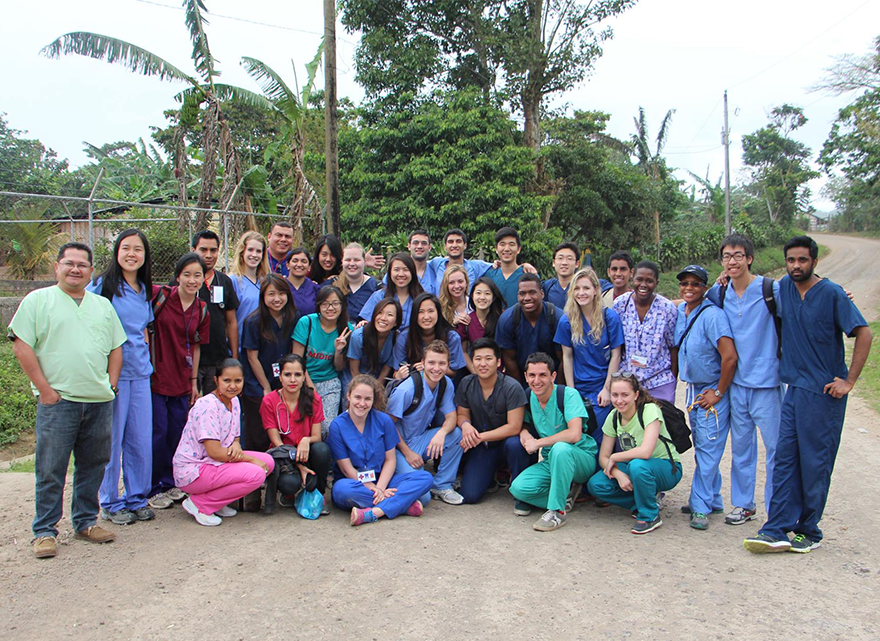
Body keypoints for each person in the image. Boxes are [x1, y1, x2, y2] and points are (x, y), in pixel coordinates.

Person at [745, 236, 872, 554]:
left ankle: (808, 530)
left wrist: (849, 380)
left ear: (815, 261)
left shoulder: (831, 293)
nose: (796, 266)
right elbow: (749, 283)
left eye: (802, 260)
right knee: (785, 460)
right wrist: (723, 276)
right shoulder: (784, 288)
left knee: (815, 463)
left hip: (824, 394)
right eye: (791, 260)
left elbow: (864, 333)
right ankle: (776, 528)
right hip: (794, 390)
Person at [10, 242, 126, 558]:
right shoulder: (38, 301)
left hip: (99, 401)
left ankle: (86, 522)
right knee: (51, 467)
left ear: (91, 271)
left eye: (82, 265)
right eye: (69, 263)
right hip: (58, 402)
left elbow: (117, 348)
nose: (75, 269)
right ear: (57, 267)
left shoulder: (102, 305)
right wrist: (45, 391)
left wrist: (111, 386)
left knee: (94, 465)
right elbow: (21, 346)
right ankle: (45, 531)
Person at [706, 235, 783, 526]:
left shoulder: (769, 288)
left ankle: (777, 506)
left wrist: (839, 294)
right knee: (742, 448)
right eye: (726, 256)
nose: (732, 261)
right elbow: (691, 300)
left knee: (776, 448)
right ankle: (743, 504)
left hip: (767, 382)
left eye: (738, 255)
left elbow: (805, 294)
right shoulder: (720, 293)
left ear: (749, 258)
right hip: (736, 385)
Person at [86, 229, 156, 525]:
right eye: (126, 248)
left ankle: (137, 497)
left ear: (144, 256)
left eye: (137, 249)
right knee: (111, 440)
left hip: (140, 375)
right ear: (116, 252)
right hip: (111, 376)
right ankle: (110, 502)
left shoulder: (144, 289)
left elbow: (144, 331)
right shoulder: (102, 287)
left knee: (140, 439)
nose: (131, 254)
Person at [172, 359, 275, 527]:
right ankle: (201, 504)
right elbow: (214, 451)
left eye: (237, 381)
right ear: (216, 380)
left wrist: (236, 444)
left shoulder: (234, 401)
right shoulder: (207, 405)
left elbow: (234, 436)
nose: (232, 386)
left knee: (268, 462)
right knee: (256, 474)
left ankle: (216, 502)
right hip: (194, 469)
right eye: (227, 380)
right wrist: (249, 460)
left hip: (216, 462)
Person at [675, 265, 737, 530]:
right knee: (702, 444)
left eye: (696, 284)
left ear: (705, 288)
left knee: (710, 447)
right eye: (685, 283)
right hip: (694, 389)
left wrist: (718, 392)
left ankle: (700, 507)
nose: (689, 288)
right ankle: (713, 497)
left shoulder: (713, 315)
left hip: (712, 389)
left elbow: (730, 356)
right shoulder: (681, 311)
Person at [509, 352, 598, 531]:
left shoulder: (568, 395)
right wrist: (525, 434)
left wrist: (538, 443)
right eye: (532, 375)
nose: (537, 380)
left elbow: (574, 434)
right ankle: (565, 496)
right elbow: (524, 424)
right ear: (525, 376)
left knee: (560, 448)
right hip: (552, 461)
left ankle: (556, 512)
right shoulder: (530, 396)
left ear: (553, 376)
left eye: (543, 375)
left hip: (580, 457)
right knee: (518, 488)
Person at [328, 375, 434, 526]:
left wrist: (381, 488)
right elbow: (346, 469)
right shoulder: (337, 426)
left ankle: (373, 513)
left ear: (373, 400)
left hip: (382, 480)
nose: (362, 403)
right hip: (354, 483)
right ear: (348, 396)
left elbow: (390, 460)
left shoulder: (384, 421)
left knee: (425, 478)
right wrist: (372, 488)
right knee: (341, 490)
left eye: (367, 399)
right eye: (357, 397)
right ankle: (400, 505)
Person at [149, 253, 211, 510]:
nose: (192, 280)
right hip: (154, 376)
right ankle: (153, 487)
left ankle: (172, 482)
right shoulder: (159, 296)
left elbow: (197, 346)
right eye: (187, 274)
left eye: (197, 275)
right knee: (157, 433)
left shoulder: (202, 309)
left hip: (182, 379)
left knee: (178, 432)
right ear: (177, 276)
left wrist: (194, 381)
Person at [586, 373, 683, 534]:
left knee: (638, 465)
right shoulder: (613, 417)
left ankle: (650, 515)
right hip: (634, 467)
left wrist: (615, 457)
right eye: (615, 395)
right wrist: (617, 474)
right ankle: (645, 501)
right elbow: (604, 457)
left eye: (625, 395)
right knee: (596, 484)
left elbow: (645, 452)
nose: (619, 400)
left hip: (666, 467)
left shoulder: (650, 410)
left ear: (636, 395)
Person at [455, 338, 533, 504]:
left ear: (498, 362)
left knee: (515, 444)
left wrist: (480, 437)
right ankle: (490, 478)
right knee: (470, 495)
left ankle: (522, 490)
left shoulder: (511, 387)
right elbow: (462, 414)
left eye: (488, 359)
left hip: (506, 444)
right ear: (473, 362)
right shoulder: (466, 383)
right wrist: (466, 425)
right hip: (483, 447)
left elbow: (514, 427)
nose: (483, 363)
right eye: (478, 359)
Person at [386, 341, 465, 505]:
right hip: (397, 447)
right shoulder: (406, 389)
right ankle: (393, 481)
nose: (436, 368)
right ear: (422, 363)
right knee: (423, 496)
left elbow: (451, 416)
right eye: (431, 362)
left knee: (456, 434)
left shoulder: (445, 383)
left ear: (448, 365)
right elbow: (387, 426)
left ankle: (442, 485)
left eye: (442, 363)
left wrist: (441, 434)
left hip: (419, 439)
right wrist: (408, 453)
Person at [556, 267, 624, 443]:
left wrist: (608, 388)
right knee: (578, 436)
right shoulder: (567, 320)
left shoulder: (610, 318)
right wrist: (572, 393)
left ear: (595, 290)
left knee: (601, 434)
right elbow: (567, 357)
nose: (581, 293)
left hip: (602, 386)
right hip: (579, 386)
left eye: (586, 288)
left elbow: (616, 355)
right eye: (577, 289)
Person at [260, 355, 332, 514]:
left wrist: (306, 440)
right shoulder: (269, 401)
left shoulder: (314, 399)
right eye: (287, 375)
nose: (292, 380)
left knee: (322, 449)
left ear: (304, 376)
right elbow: (277, 442)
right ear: (280, 377)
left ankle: (317, 494)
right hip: (284, 457)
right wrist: (298, 465)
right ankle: (289, 495)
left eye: (298, 375)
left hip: (307, 454)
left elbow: (317, 436)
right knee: (289, 484)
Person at [240, 274, 299, 454]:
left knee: (281, 424)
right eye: (271, 294)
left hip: (281, 379)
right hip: (257, 382)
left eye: (281, 293)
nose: (277, 299)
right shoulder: (253, 321)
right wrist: (265, 387)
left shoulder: (292, 316)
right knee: (258, 428)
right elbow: (252, 357)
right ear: (263, 297)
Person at [612, 260, 678, 403]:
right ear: (632, 279)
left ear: (656, 283)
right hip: (628, 380)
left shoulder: (667, 309)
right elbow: (616, 343)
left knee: (661, 422)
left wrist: (673, 378)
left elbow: (673, 346)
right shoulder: (620, 304)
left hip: (659, 380)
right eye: (639, 279)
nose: (643, 285)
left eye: (649, 281)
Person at [292, 285, 353, 437]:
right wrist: (311, 388)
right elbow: (296, 362)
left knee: (327, 428)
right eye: (325, 304)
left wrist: (339, 350)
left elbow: (339, 367)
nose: (330, 308)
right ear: (318, 305)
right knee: (304, 427)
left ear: (342, 305)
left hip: (329, 382)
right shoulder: (307, 323)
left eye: (335, 303)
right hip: (303, 380)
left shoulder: (346, 329)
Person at [188, 230, 240, 395]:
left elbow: (231, 321)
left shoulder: (224, 281)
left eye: (213, 250)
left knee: (217, 406)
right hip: (189, 360)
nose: (209, 255)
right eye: (203, 250)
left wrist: (234, 358)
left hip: (217, 359)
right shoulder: (183, 282)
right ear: (193, 250)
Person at [496, 273, 564, 385]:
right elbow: (509, 360)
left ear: (542, 294)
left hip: (553, 380)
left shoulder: (556, 318)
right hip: (523, 380)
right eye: (522, 294)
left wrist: (559, 392)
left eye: (532, 292)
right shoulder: (507, 320)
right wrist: (520, 394)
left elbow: (563, 359)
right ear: (518, 296)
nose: (527, 298)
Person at [393, 293, 467, 377]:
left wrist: (428, 368)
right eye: (421, 312)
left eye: (431, 311)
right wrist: (402, 373)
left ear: (438, 313)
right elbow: (396, 372)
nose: (426, 317)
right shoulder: (404, 337)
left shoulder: (451, 337)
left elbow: (454, 372)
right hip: (412, 382)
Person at [359, 252, 425, 327]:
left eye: (405, 270)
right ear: (390, 273)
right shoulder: (379, 297)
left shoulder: (422, 298)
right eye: (396, 270)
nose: (401, 274)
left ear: (413, 272)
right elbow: (368, 323)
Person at [346, 298, 401, 387]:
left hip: (377, 379)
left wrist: (377, 388)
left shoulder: (395, 338)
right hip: (354, 378)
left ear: (396, 322)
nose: (383, 318)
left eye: (390, 315)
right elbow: (354, 370)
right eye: (380, 312)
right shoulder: (358, 336)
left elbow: (386, 368)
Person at [229, 230, 269, 346]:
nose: (254, 255)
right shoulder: (233, 281)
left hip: (261, 345)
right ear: (242, 252)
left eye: (258, 251)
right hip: (240, 346)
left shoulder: (265, 281)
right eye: (250, 250)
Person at [458, 277, 506, 374]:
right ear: (472, 296)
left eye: (487, 293)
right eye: (478, 293)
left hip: (500, 374)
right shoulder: (466, 321)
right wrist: (474, 371)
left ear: (494, 297)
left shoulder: (502, 319)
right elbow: (463, 352)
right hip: (477, 372)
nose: (482, 297)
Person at [428, 228, 494, 286]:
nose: (454, 245)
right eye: (450, 242)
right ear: (445, 246)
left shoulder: (475, 266)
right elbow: (420, 265)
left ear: (465, 245)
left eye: (458, 241)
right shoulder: (437, 263)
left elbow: (496, 266)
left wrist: (497, 263)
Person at [332, 242, 378, 321]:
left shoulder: (376, 287)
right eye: (348, 260)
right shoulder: (332, 285)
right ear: (342, 262)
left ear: (364, 261)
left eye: (357, 260)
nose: (352, 263)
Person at [484, 227, 528, 307]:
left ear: (518, 249)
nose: (507, 249)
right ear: (496, 249)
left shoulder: (528, 275)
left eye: (511, 244)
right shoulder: (489, 275)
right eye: (502, 244)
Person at [542, 242, 580, 309]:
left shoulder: (583, 286)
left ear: (577, 264)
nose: (564, 263)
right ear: (553, 262)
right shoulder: (547, 286)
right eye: (560, 258)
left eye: (569, 258)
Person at [285, 246, 321, 316]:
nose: (299, 265)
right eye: (295, 261)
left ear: (309, 267)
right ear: (287, 265)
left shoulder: (315, 289)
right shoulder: (280, 286)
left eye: (303, 261)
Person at [406, 229, 439, 294]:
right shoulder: (399, 271)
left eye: (424, 243)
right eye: (416, 243)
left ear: (429, 247)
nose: (419, 246)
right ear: (409, 246)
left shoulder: (436, 271)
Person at [438, 264, 470, 329]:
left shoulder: (474, 304)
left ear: (466, 283)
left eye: (460, 281)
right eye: (451, 282)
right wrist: (453, 324)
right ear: (446, 285)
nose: (457, 286)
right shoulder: (440, 307)